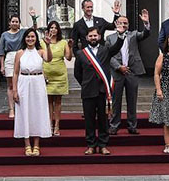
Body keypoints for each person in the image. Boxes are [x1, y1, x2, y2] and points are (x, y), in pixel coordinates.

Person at [74, 25, 125, 155]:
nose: (93, 38)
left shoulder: (106, 50)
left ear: (99, 36)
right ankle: (91, 145)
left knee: (103, 120)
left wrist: (120, 35)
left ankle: (103, 145)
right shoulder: (81, 53)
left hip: (103, 91)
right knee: (89, 120)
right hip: (88, 91)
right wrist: (86, 84)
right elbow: (77, 73)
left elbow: (117, 47)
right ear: (86, 38)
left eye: (95, 35)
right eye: (90, 36)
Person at [107, 10, 151, 136]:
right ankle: (114, 126)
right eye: (121, 23)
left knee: (132, 100)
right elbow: (108, 55)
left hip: (132, 71)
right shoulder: (109, 38)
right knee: (116, 101)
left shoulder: (133, 35)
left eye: (125, 23)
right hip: (117, 72)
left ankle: (132, 126)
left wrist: (146, 23)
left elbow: (145, 34)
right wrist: (118, 66)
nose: (123, 25)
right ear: (116, 23)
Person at [13, 28, 55, 155]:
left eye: (32, 37)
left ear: (36, 38)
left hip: (38, 83)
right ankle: (27, 144)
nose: (30, 39)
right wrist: (15, 90)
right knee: (24, 111)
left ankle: (36, 144)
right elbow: (15, 73)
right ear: (24, 38)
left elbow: (49, 59)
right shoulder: (20, 53)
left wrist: (48, 45)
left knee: (37, 112)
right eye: (27, 37)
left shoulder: (41, 51)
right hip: (24, 82)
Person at [42, 20, 72, 136]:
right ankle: (49, 124)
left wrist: (70, 47)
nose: (53, 29)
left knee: (58, 101)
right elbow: (40, 57)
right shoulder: (42, 42)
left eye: (55, 28)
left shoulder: (63, 42)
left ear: (58, 30)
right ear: (48, 29)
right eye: (51, 27)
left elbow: (68, 58)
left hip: (60, 74)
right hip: (47, 73)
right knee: (49, 101)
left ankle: (57, 125)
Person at [0, 15, 27, 118]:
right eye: (13, 21)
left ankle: (21, 108)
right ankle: (11, 109)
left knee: (21, 83)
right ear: (9, 23)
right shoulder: (4, 35)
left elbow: (34, 30)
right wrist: (2, 66)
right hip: (9, 57)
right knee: (10, 85)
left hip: (21, 56)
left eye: (17, 21)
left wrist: (33, 18)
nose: (15, 23)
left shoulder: (23, 32)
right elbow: (1, 51)